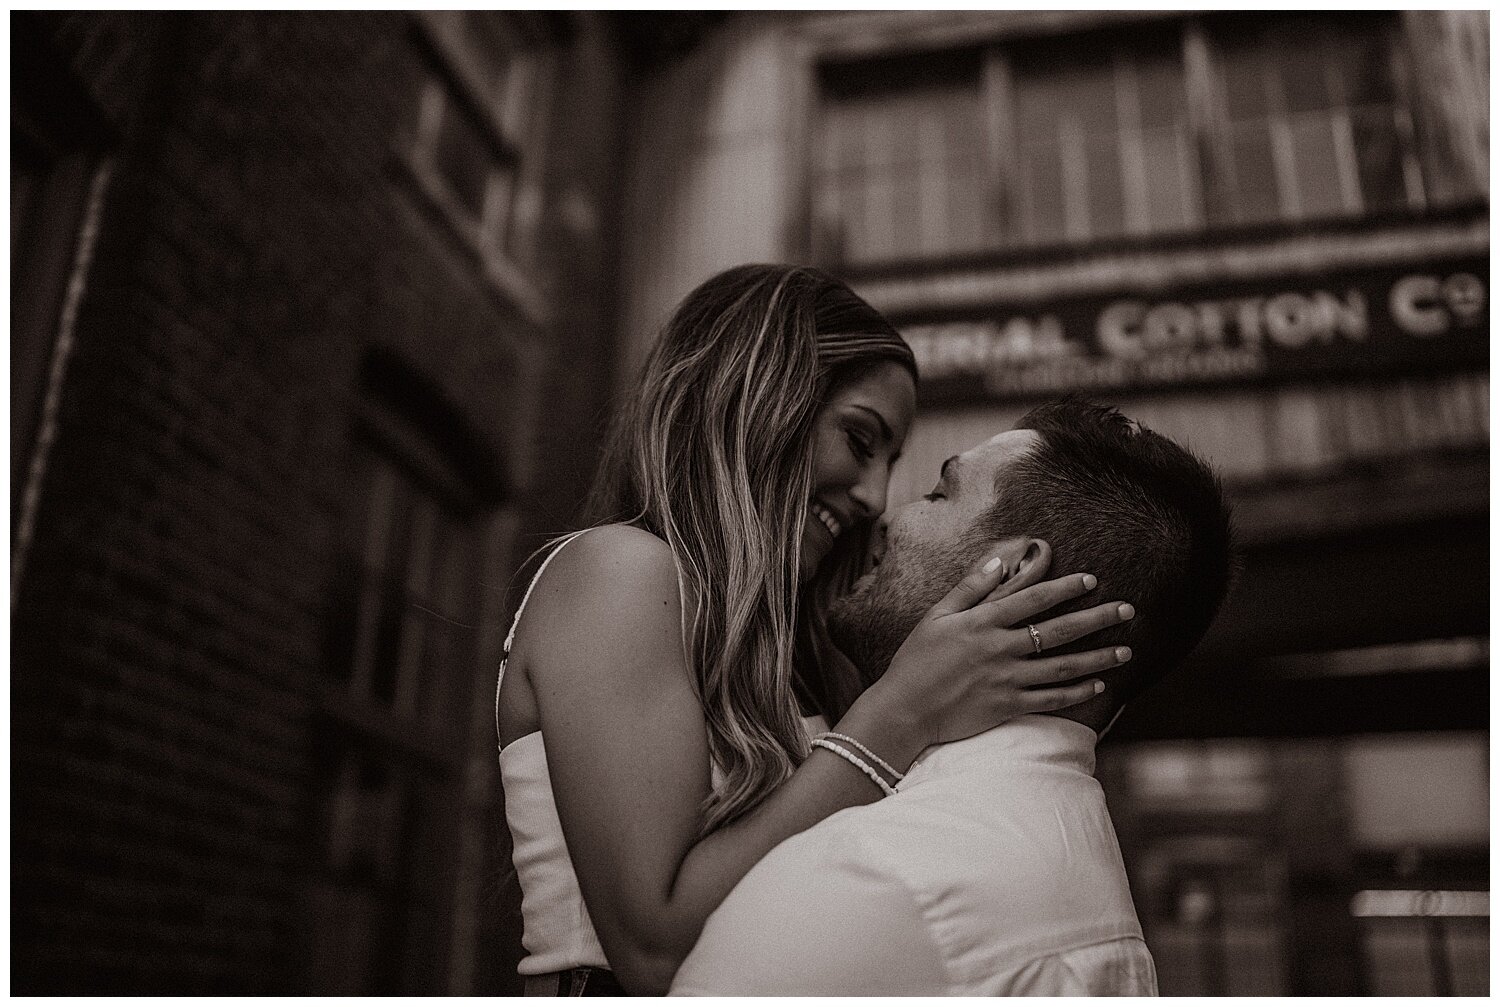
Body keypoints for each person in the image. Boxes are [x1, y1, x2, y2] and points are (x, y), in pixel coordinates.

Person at [495, 268, 1137, 995]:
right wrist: (902, 713)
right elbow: (654, 946)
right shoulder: (618, 572)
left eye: (892, 465)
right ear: (756, 397)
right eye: (861, 439)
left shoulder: (795, 651)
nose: (874, 497)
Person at [670, 399, 1234, 996]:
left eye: (940, 493)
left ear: (1011, 571)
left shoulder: (871, 877)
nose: (886, 513)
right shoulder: (1083, 876)